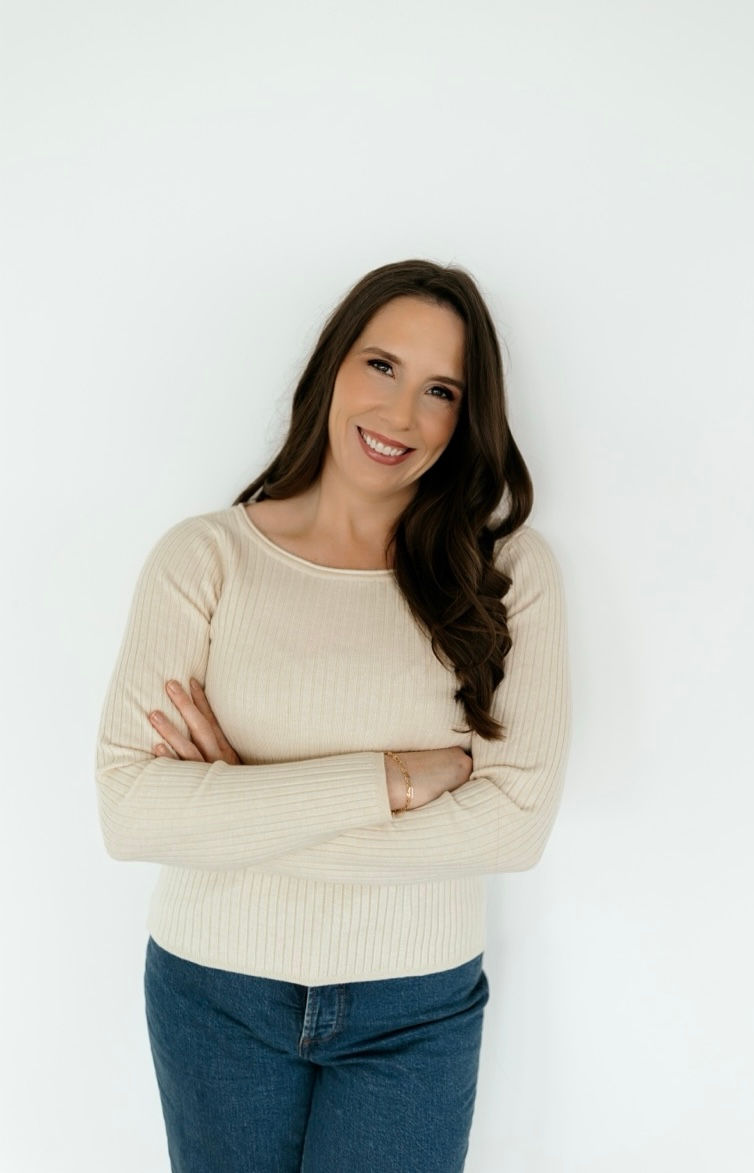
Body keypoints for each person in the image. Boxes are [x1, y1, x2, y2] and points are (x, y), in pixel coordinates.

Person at [95, 257, 572, 1173]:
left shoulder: (506, 574)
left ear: (465, 417)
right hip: (213, 993)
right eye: (381, 366)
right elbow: (128, 809)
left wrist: (239, 807)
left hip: (414, 1007)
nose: (400, 415)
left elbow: (513, 827)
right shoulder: (205, 558)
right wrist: (387, 782)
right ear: (333, 364)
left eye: (440, 390)